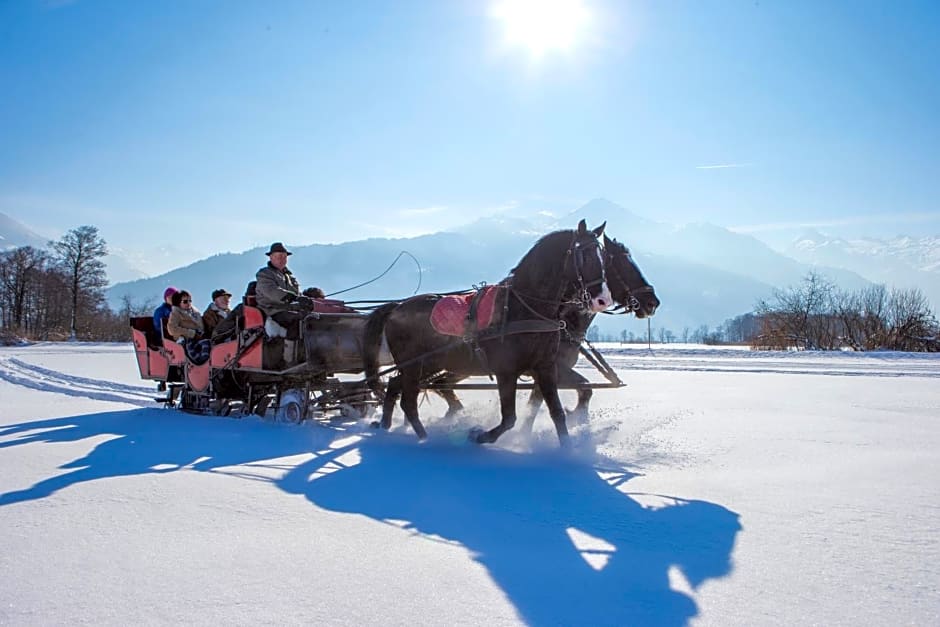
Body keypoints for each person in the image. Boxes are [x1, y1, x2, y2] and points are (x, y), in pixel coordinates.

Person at [255, 242, 315, 366]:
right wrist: (291, 297)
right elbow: (271, 292)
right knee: (297, 321)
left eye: (284, 256)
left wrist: (304, 300)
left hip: (289, 309)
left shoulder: (289, 276)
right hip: (272, 310)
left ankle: (310, 353)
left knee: (312, 318)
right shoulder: (264, 274)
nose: (282, 259)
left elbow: (297, 293)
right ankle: (290, 359)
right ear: (271, 257)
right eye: (278, 256)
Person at [166, 290, 210, 364]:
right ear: (178, 302)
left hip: (199, 337)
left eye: (190, 301)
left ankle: (207, 361)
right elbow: (172, 329)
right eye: (185, 301)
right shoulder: (176, 313)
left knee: (209, 343)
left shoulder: (195, 313)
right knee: (203, 344)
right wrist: (191, 333)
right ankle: (200, 362)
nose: (189, 303)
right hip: (186, 339)